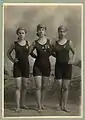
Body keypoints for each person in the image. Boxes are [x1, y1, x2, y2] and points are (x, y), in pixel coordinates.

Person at [52, 25, 76, 112]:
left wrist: (72, 60)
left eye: (63, 31)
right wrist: (58, 57)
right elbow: (51, 53)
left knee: (65, 87)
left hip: (67, 67)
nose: (62, 33)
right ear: (58, 32)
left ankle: (64, 106)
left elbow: (74, 52)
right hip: (58, 66)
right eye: (60, 31)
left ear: (66, 33)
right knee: (59, 86)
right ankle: (59, 104)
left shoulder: (69, 42)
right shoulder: (55, 43)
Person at [29, 24, 52, 112]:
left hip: (46, 66)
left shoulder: (49, 42)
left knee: (44, 86)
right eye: (39, 29)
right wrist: (36, 57)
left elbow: (52, 52)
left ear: (45, 31)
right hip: (37, 66)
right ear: (37, 31)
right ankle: (38, 106)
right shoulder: (35, 43)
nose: (41, 31)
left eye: (43, 30)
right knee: (38, 86)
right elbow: (30, 52)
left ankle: (42, 104)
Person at [7, 27, 30, 112]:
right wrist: (13, 60)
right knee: (18, 87)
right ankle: (17, 106)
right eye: (19, 33)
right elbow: (8, 53)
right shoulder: (14, 44)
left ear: (25, 34)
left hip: (26, 67)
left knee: (24, 86)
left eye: (23, 33)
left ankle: (22, 104)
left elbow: (31, 53)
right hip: (17, 67)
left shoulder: (28, 43)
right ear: (17, 34)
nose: (21, 34)